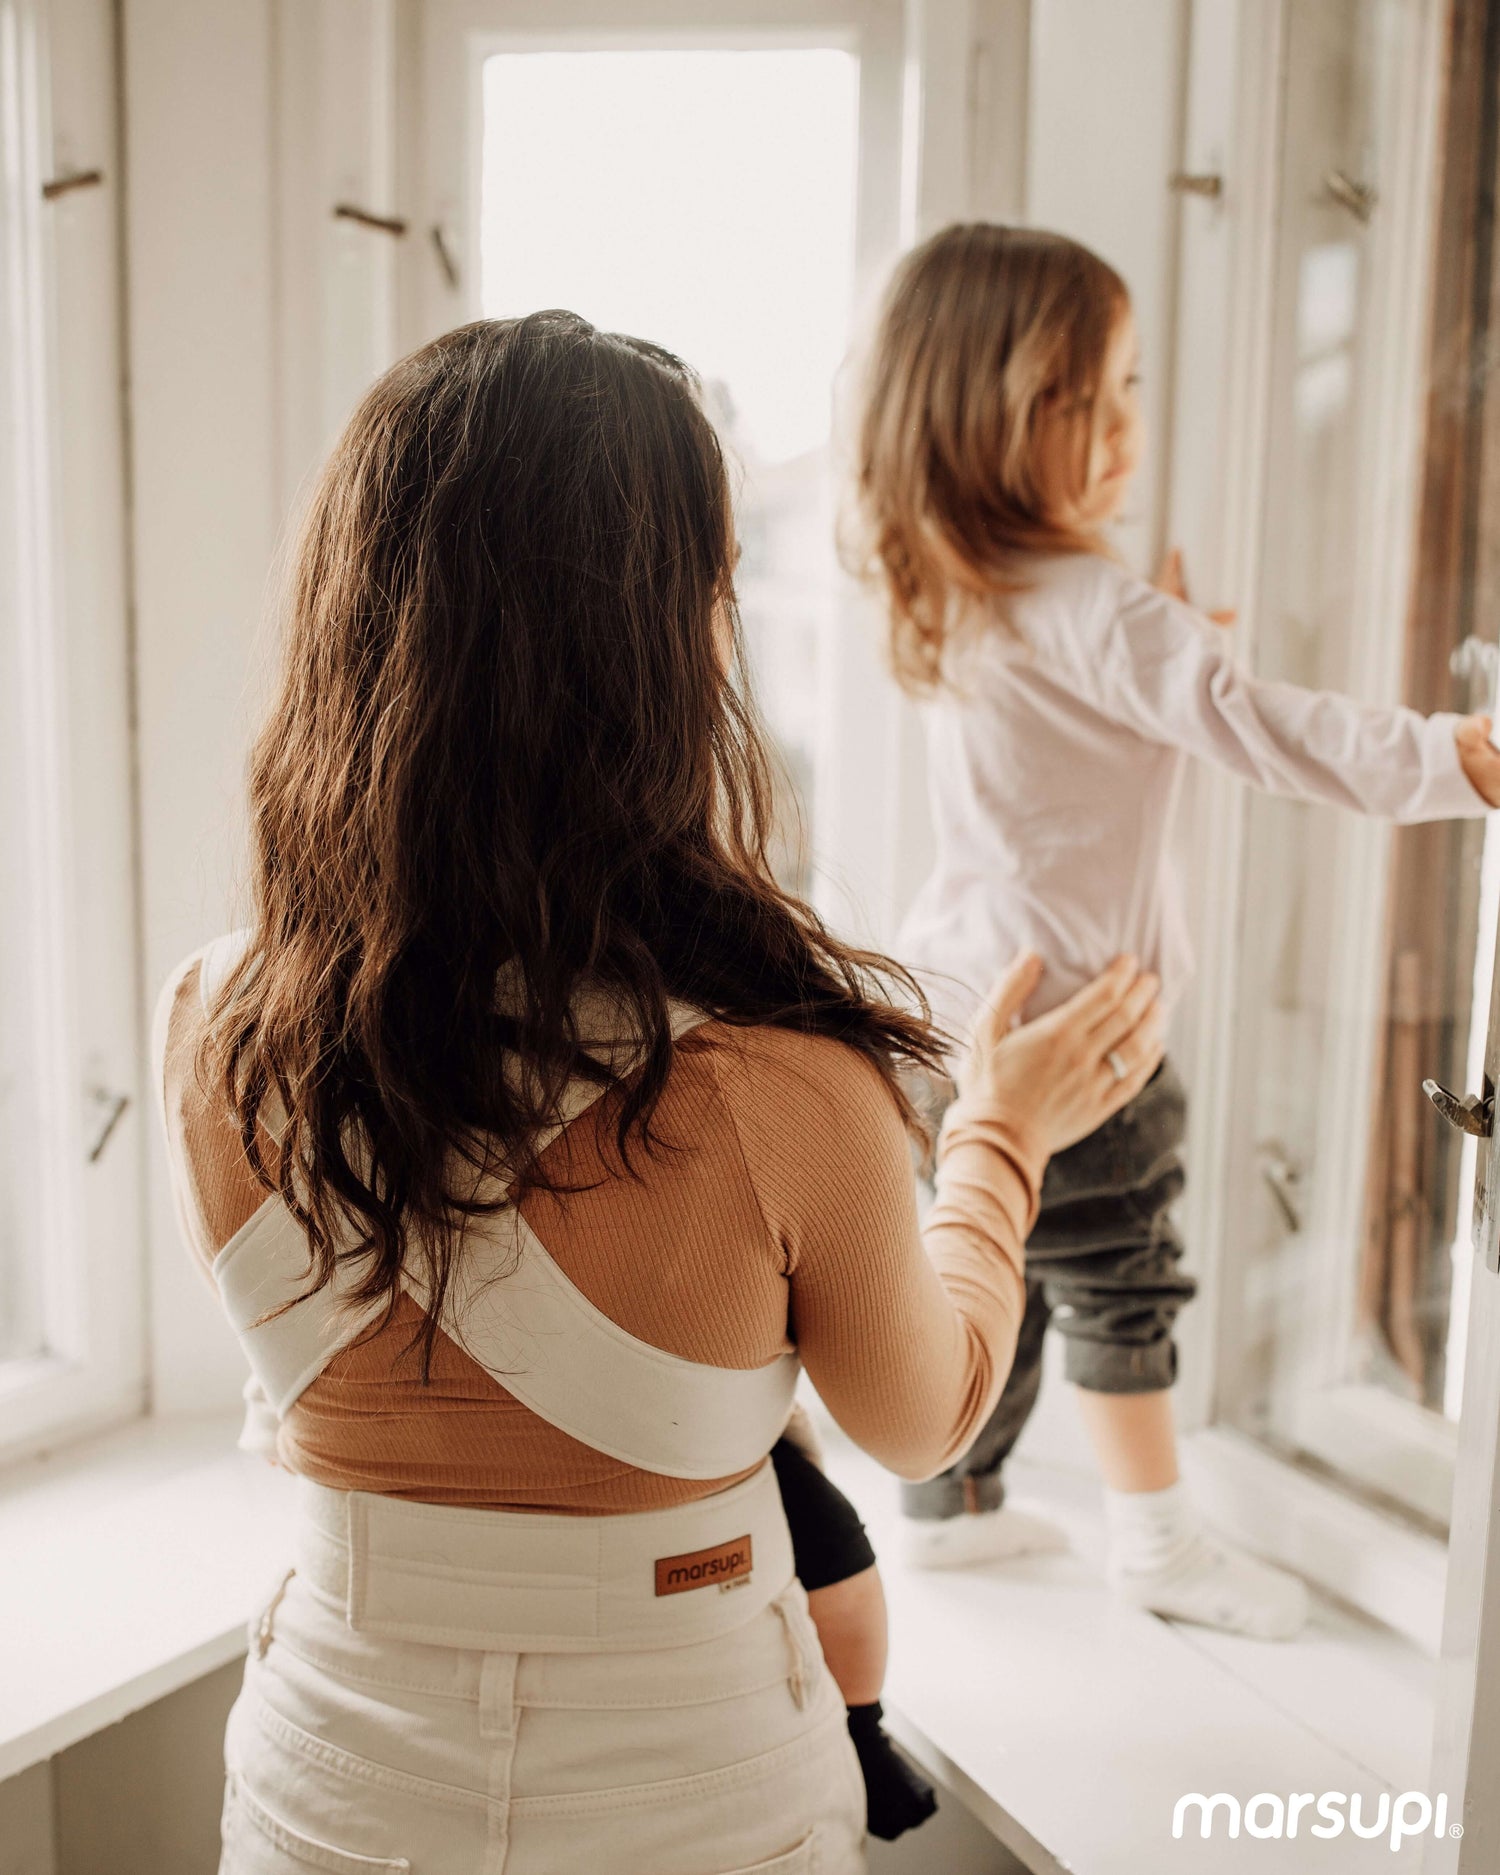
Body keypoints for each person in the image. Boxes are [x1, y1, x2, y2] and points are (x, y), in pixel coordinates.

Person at [152, 310, 1164, 1874]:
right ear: (656, 650)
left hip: (331, 1792)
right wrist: (1003, 1137)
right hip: (691, 1806)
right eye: (715, 588)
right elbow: (926, 1421)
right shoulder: (777, 1081)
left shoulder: (216, 1023)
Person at [845, 222, 1500, 1642]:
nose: (1127, 427)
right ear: (986, 417)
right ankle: (1156, 1541)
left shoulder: (961, 586)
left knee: (998, 1259)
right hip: (1087, 1035)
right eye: (1085, 397)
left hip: (962, 1013)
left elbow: (1090, 738)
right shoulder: (1099, 607)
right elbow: (1264, 729)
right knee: (1123, 1275)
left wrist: (1169, 639)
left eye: (1130, 386)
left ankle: (950, 1508)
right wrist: (1448, 754)